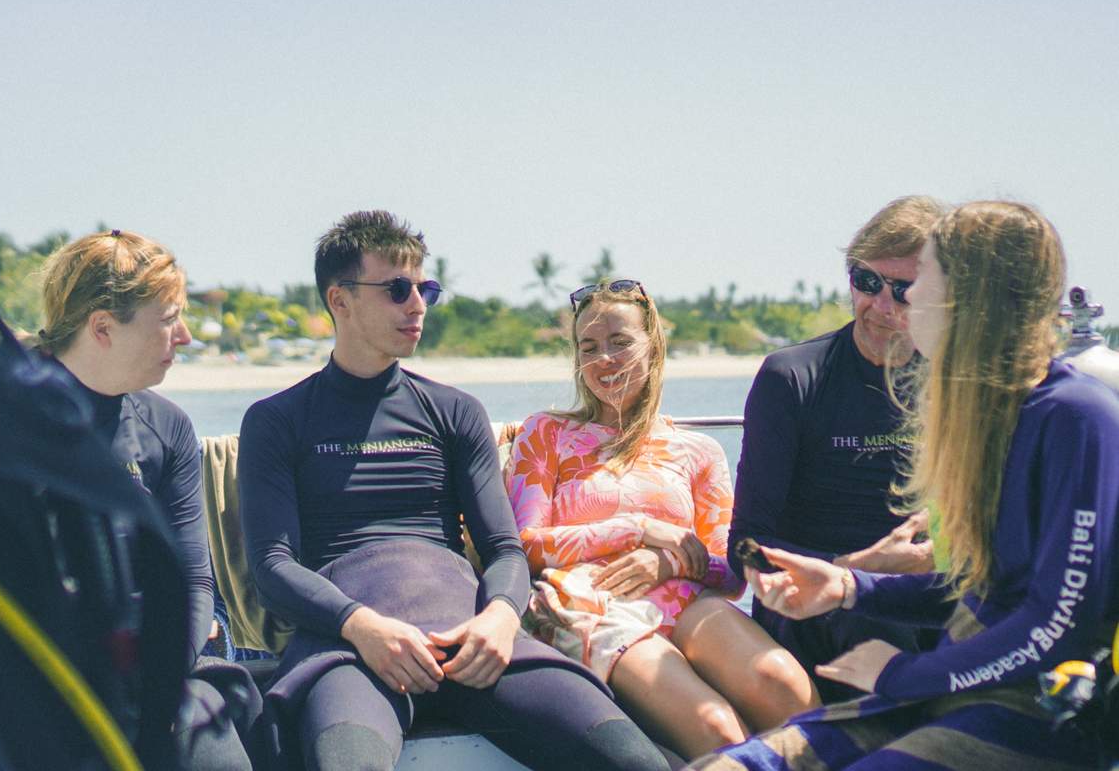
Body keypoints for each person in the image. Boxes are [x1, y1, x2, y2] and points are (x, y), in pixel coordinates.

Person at [690, 201, 1119, 769]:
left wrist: (901, 673)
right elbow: (983, 591)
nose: (900, 301)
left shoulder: (1076, 417)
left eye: (917, 283)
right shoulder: (982, 416)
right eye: (867, 281)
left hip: (1034, 710)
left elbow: (1058, 623)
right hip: (944, 680)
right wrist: (852, 584)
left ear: (970, 300)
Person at [240, 211, 670, 771]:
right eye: (397, 289)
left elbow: (504, 549)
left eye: (426, 289)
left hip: (470, 638)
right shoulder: (277, 420)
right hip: (352, 649)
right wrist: (362, 627)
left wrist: (500, 619)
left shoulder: (454, 412)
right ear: (339, 300)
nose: (417, 305)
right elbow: (273, 567)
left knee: (635, 761)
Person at [507, 280, 819, 759]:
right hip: (593, 601)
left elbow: (731, 570)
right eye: (589, 347)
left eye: (619, 342)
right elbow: (526, 545)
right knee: (717, 727)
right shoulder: (546, 433)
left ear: (652, 346)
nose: (604, 359)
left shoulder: (697, 450)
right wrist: (637, 529)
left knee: (786, 687)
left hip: (684, 596)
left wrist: (669, 564)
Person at [37, 229, 255, 770]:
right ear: (103, 328)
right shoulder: (6, 419)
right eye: (169, 319)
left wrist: (160, 680)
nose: (185, 336)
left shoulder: (166, 428)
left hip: (155, 664)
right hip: (43, 670)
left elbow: (195, 581)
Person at [727, 196, 945, 701]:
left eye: (904, 291)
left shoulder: (957, 384)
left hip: (927, 593)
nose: (882, 306)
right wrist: (865, 566)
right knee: (886, 638)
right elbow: (745, 547)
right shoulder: (792, 377)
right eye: (867, 282)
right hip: (814, 604)